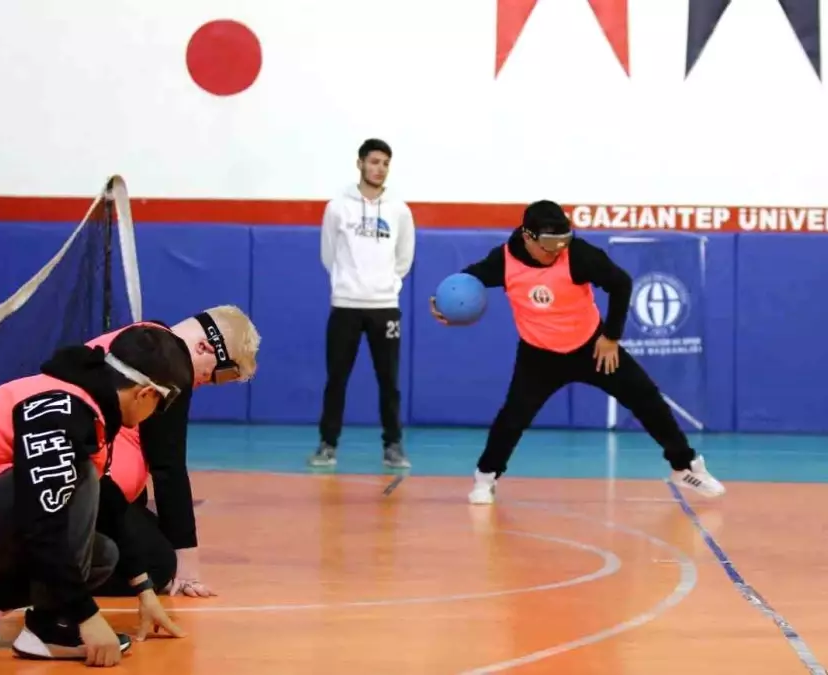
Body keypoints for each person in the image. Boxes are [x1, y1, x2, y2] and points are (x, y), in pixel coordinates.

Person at [0, 326, 194, 666]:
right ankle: (49, 630)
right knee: (77, 478)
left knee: (102, 556)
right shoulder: (61, 412)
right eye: (163, 404)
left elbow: (107, 503)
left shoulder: (83, 401)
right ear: (146, 394)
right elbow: (44, 521)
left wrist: (144, 588)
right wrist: (85, 617)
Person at [429, 200, 726, 505]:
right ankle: (485, 477)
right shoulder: (504, 261)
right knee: (513, 418)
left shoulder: (579, 255)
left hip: (592, 348)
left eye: (561, 243)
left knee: (646, 398)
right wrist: (444, 304)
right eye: (548, 246)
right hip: (539, 356)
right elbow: (469, 282)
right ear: (528, 237)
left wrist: (610, 336)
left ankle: (684, 467)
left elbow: (621, 283)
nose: (555, 251)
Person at [85, 306, 260, 599]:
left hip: (85, 481)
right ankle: (49, 577)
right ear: (205, 346)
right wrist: (187, 567)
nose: (204, 383)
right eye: (212, 375)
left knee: (152, 539)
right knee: (159, 566)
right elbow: (168, 467)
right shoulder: (170, 363)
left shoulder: (144, 333)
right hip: (86, 488)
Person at [310, 138, 416, 470]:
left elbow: (405, 258)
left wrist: (388, 286)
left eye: (385, 163)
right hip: (345, 305)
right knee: (337, 378)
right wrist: (347, 285)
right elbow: (329, 254)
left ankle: (393, 445)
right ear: (360, 164)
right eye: (374, 162)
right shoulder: (337, 207)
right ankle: (327, 445)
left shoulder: (399, 210)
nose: (379, 169)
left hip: (384, 306)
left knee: (389, 380)